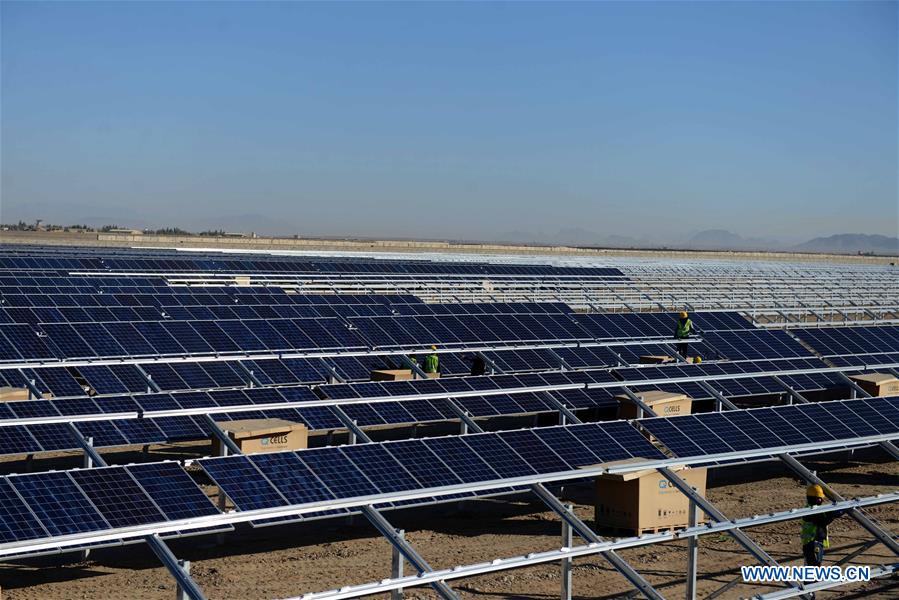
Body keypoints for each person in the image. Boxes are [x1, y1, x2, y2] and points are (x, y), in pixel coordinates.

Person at [801, 484, 844, 569]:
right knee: (814, 567)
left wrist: (839, 511)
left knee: (812, 566)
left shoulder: (811, 508)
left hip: (812, 543)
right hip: (813, 543)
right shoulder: (811, 511)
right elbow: (823, 521)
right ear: (818, 499)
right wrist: (835, 514)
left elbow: (826, 514)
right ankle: (813, 582)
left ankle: (811, 582)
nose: (822, 500)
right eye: (821, 498)